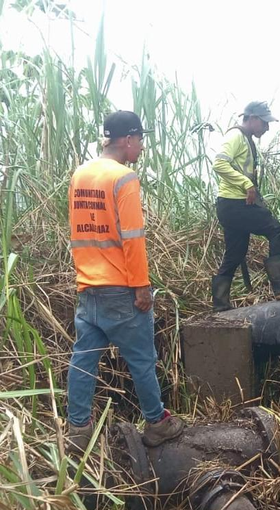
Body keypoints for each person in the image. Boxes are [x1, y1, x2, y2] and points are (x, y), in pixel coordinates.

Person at [66, 110, 185, 451]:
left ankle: (78, 430)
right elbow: (132, 238)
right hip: (121, 288)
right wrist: (141, 287)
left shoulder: (80, 174)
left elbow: (79, 231)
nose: (143, 147)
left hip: (88, 288)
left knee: (84, 359)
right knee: (142, 359)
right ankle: (156, 422)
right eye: (141, 140)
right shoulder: (124, 179)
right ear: (128, 140)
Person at [210, 101, 280, 311]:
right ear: (253, 118)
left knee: (235, 254)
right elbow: (219, 163)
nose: (266, 128)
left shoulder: (246, 140)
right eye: (264, 123)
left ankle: (220, 305)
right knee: (275, 229)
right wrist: (246, 184)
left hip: (229, 207)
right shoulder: (235, 136)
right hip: (234, 204)